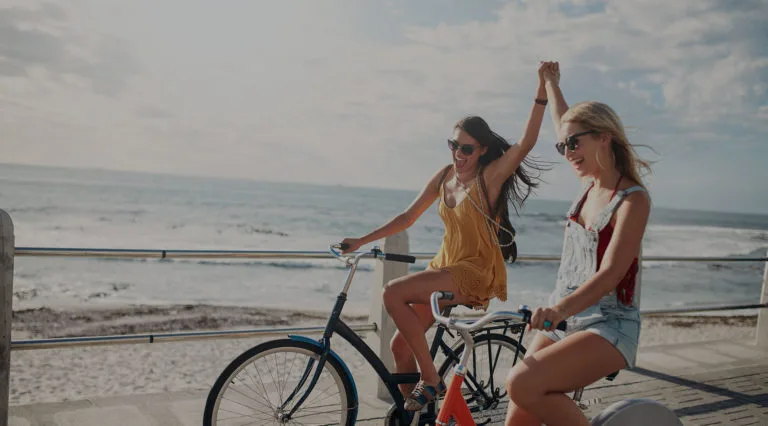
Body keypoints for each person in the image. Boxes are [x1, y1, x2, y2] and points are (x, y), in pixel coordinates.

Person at [341, 62, 556, 411]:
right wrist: (361, 241)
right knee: (399, 348)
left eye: (467, 148)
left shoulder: (489, 178)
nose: (458, 153)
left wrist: (542, 90)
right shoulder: (444, 176)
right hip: (444, 268)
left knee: (392, 292)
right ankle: (418, 416)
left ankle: (431, 379)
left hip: (473, 272)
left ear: (482, 150)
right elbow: (407, 217)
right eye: (454, 145)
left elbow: (526, 143)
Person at [504, 62, 653, 426]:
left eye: (574, 143)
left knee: (521, 383)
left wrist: (558, 310)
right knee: (518, 416)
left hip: (609, 324)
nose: (567, 151)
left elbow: (611, 274)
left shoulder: (632, 200)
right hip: (566, 316)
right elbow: (564, 121)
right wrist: (550, 83)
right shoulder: (589, 187)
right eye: (563, 145)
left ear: (605, 137)